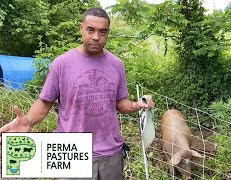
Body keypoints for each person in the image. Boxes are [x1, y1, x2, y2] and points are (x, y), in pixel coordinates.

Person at [0, 7, 155, 180]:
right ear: (81, 28)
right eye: (91, 30)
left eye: (102, 32)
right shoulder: (62, 63)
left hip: (111, 153)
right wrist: (28, 121)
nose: (96, 37)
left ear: (108, 33)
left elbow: (120, 102)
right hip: (72, 151)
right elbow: (44, 103)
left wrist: (136, 105)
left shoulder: (116, 64)